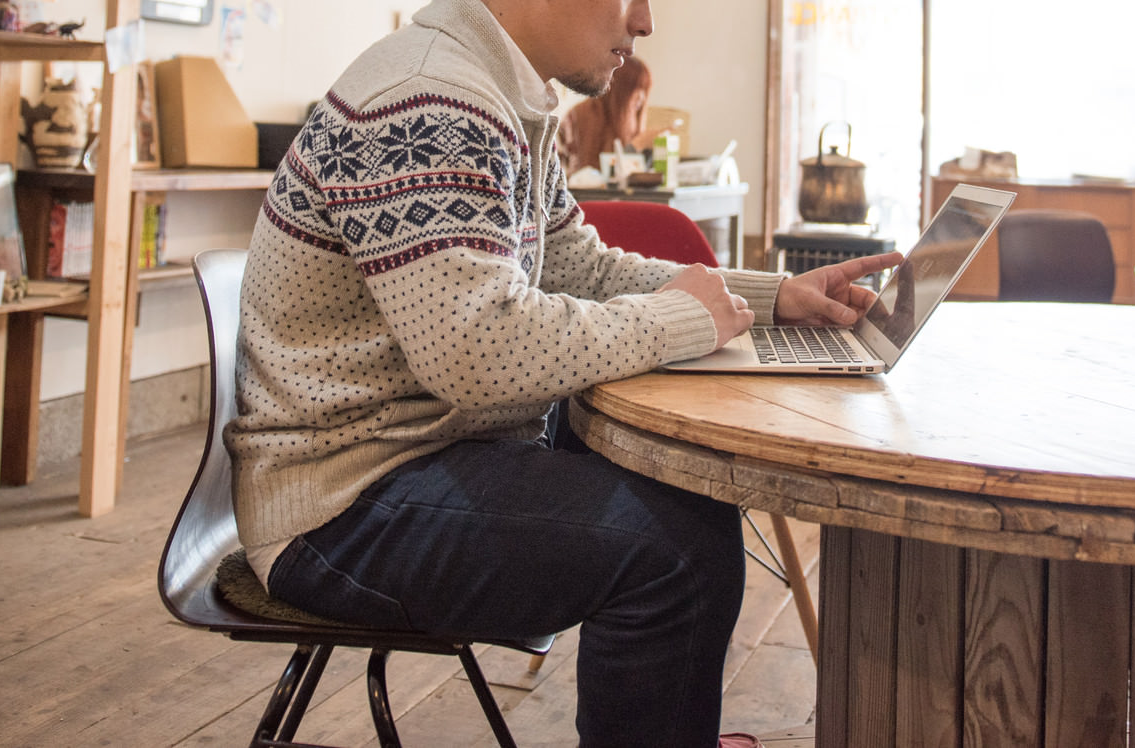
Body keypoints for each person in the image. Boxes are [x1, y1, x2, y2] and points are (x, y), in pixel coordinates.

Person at [229, 0, 903, 746]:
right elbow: (477, 350)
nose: (644, 23)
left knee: (690, 502)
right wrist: (682, 319)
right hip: (340, 505)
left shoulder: (496, 92)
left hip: (420, 453)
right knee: (678, 552)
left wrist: (767, 298)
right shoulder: (428, 99)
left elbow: (576, 264)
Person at [557, 53, 655, 174]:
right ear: (619, 89)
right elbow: (591, 179)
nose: (641, 98)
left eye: (644, 91)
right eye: (636, 90)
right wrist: (634, 147)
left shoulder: (631, 123)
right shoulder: (576, 120)